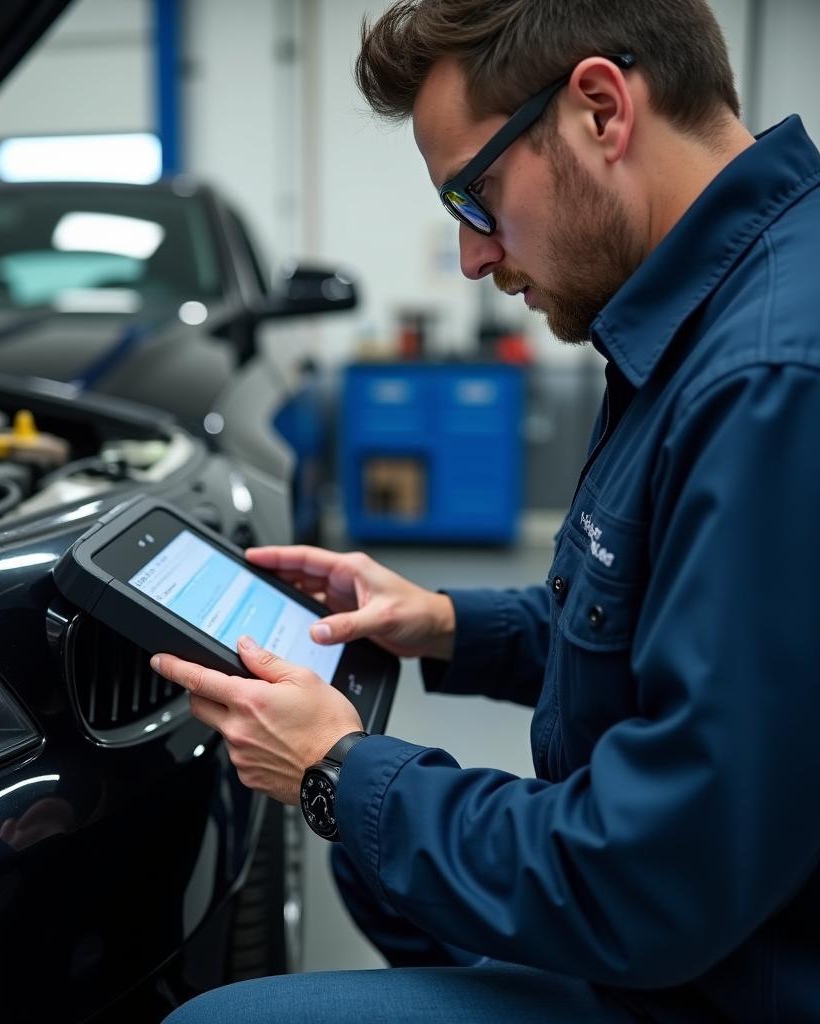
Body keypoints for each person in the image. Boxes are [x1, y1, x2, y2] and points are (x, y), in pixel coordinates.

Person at [157, 1, 820, 1020]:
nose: (472, 256)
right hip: (704, 915)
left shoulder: (769, 379)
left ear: (600, 109)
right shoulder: (705, 310)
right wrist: (444, 624)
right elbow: (668, 622)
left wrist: (334, 767)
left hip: (729, 970)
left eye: (475, 198)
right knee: (370, 866)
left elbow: (646, 880)